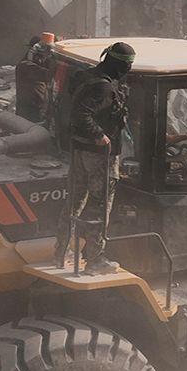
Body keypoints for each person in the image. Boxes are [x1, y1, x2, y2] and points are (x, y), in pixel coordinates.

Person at [64, 42, 135, 271]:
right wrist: (99, 135)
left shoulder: (87, 77)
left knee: (74, 203)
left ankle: (61, 252)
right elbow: (81, 114)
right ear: (119, 64)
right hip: (98, 156)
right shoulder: (102, 86)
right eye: (128, 64)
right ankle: (95, 259)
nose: (130, 69)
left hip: (79, 150)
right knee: (100, 204)